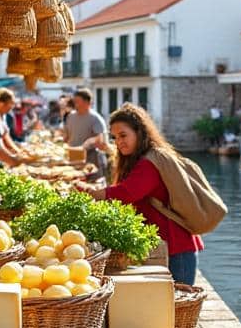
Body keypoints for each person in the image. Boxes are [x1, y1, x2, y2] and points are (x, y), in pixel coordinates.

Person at [82, 105, 204, 285]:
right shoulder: (140, 158)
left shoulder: (149, 162)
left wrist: (91, 193)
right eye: (115, 137)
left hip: (176, 247)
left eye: (123, 135)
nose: (118, 142)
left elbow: (127, 192)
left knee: (176, 306)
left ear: (139, 132)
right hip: (163, 246)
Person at [62, 88, 109, 176]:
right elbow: (67, 136)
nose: (75, 104)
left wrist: (89, 143)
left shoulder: (96, 118)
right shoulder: (70, 117)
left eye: (77, 101)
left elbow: (102, 142)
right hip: (73, 158)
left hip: (91, 160)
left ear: (87, 102)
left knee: (92, 186)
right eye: (74, 101)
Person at [0, 88, 27, 156]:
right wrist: (15, 159)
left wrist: (19, 152)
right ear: (1, 103)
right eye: (11, 103)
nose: (12, 107)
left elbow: (6, 137)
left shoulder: (3, 116)